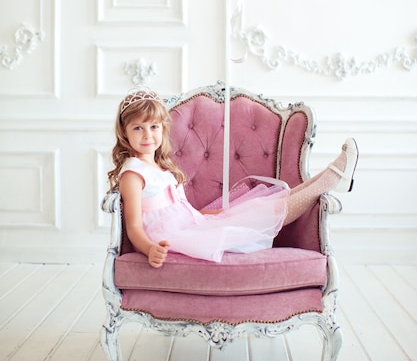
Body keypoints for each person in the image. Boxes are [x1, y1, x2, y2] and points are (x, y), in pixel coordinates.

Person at [107, 88, 358, 268]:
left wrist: (211, 215)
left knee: (254, 207)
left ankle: (331, 175)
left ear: (163, 128)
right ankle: (333, 178)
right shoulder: (133, 173)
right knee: (262, 215)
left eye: (154, 127)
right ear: (125, 133)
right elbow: (134, 227)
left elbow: (181, 209)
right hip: (180, 236)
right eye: (138, 128)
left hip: (193, 222)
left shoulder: (158, 167)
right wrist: (150, 249)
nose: (147, 134)